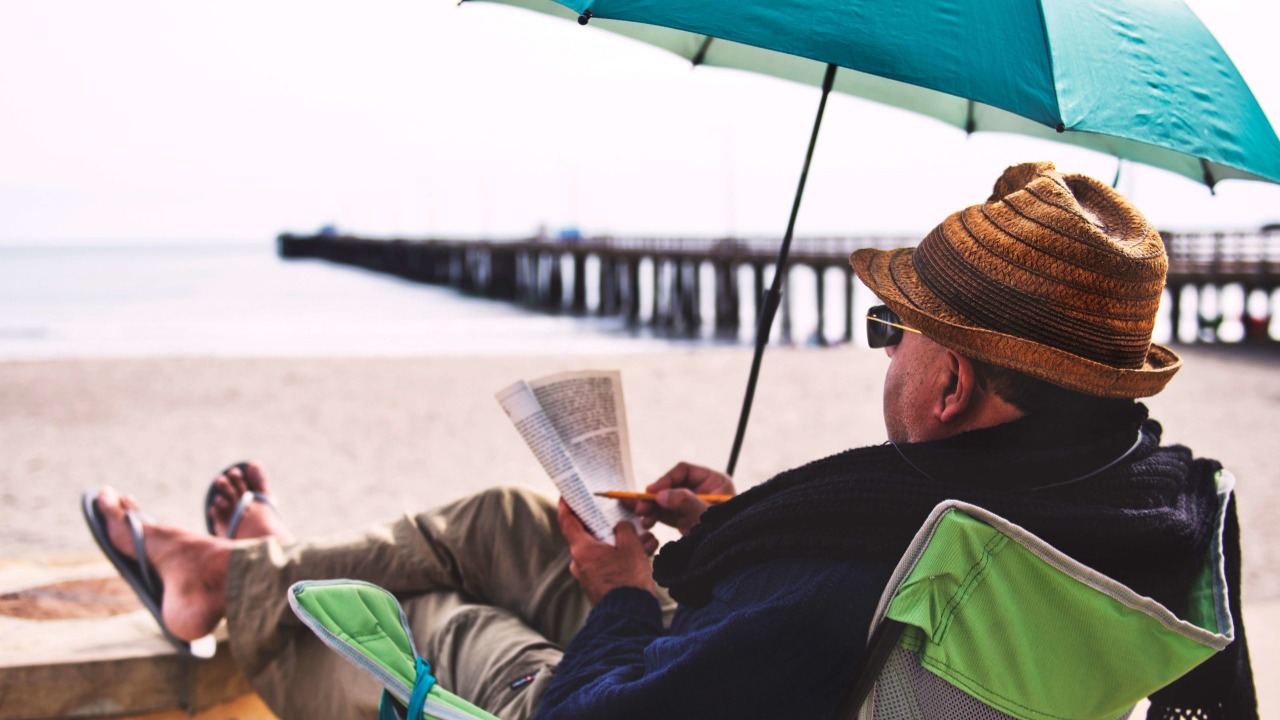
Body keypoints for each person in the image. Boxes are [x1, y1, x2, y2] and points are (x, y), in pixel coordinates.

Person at [85, 162, 1256, 719]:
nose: (884, 352)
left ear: (947, 385)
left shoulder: (861, 571)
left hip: (628, 693)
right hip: (793, 662)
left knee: (440, 621)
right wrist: (743, 528)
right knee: (502, 516)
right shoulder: (1137, 510)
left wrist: (621, 595)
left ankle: (241, 588)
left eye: (888, 330)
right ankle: (228, 572)